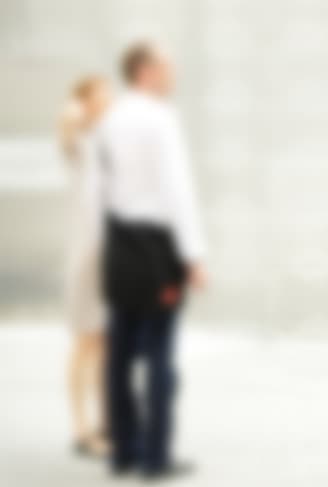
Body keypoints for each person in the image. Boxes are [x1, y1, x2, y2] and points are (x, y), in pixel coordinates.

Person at [93, 41, 207, 479]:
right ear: (144, 71)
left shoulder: (111, 119)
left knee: (120, 352)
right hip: (157, 247)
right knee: (159, 354)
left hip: (119, 243)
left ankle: (124, 449)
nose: (171, 74)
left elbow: (98, 188)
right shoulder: (159, 119)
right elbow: (176, 191)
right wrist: (193, 255)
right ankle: (155, 457)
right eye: (165, 66)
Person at [58, 75, 112, 458]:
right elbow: (67, 123)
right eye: (101, 94)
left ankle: (104, 425)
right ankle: (81, 427)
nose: (108, 99)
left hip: (109, 259)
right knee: (85, 342)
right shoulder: (79, 141)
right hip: (84, 259)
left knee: (105, 345)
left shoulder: (106, 143)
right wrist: (77, 107)